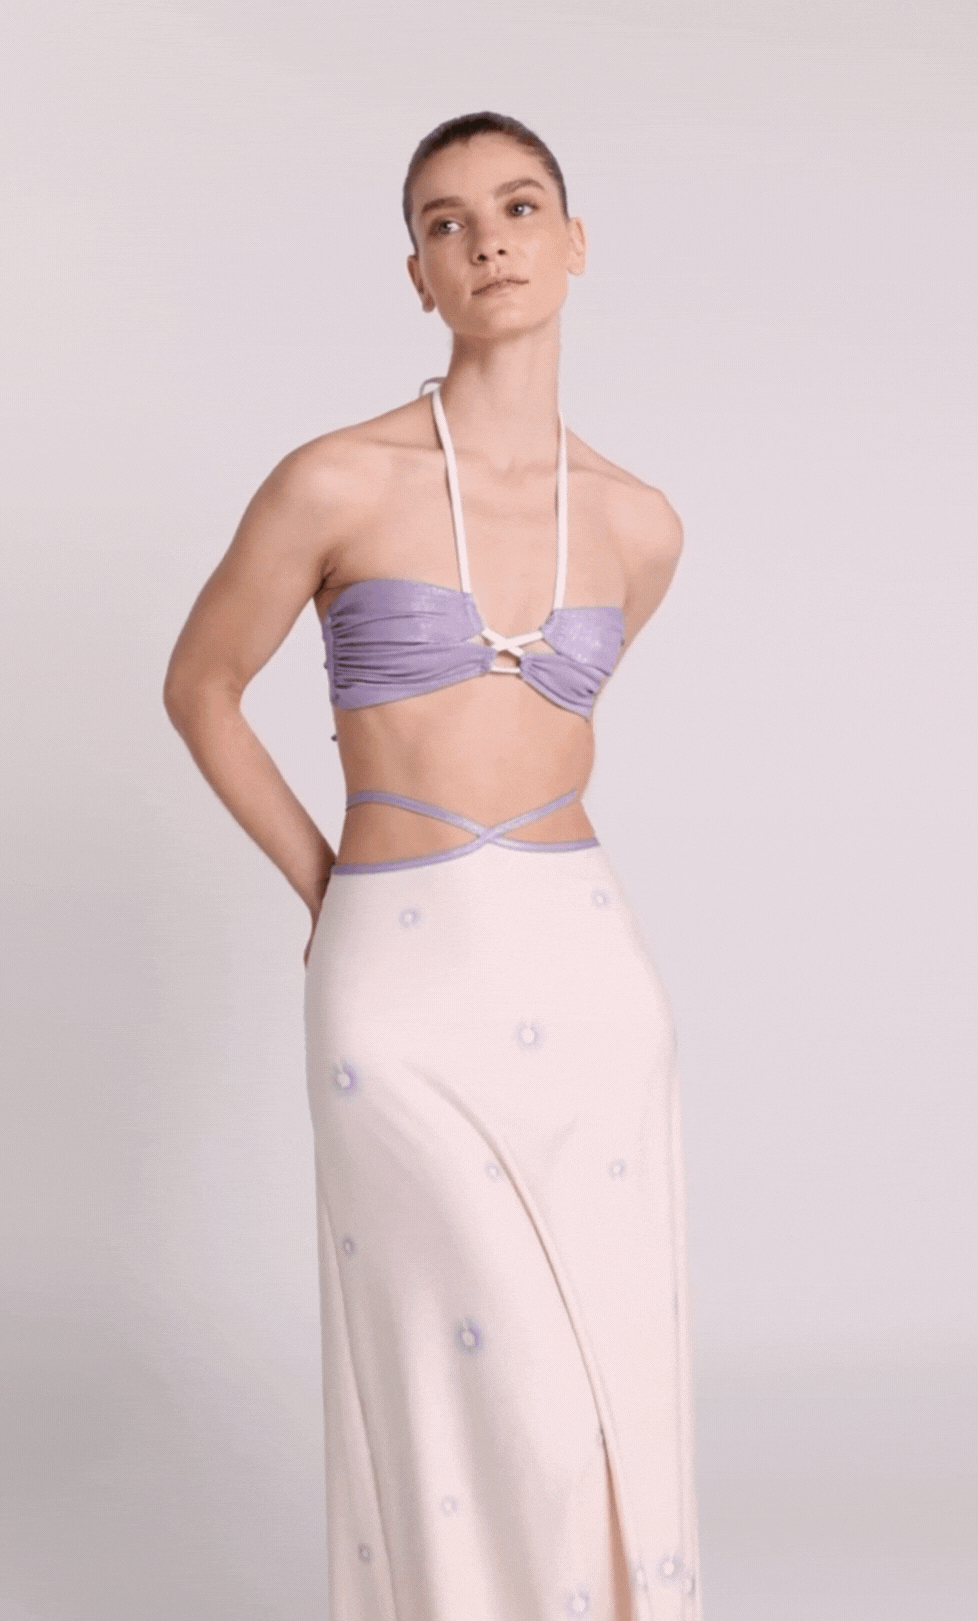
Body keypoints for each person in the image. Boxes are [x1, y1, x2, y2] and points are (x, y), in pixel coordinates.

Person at [164, 110, 702, 1621]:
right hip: (397, 974)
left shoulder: (641, 524)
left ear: (574, 244)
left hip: (587, 971)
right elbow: (201, 686)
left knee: (596, 1383)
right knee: (478, 1379)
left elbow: (554, 729)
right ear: (418, 274)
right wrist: (325, 885)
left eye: (519, 208)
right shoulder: (333, 481)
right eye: (446, 222)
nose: (488, 242)